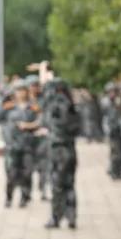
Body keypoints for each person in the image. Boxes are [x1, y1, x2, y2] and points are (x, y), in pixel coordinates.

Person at [43, 79, 80, 228]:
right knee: (69, 184)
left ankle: (56, 217)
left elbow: (48, 123)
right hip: (70, 147)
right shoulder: (71, 104)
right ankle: (71, 217)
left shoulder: (55, 104)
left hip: (58, 149)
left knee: (57, 185)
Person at [0, 84, 37, 207]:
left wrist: (29, 125)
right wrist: (3, 108)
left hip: (27, 144)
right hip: (12, 145)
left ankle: (25, 197)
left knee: (27, 173)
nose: (20, 93)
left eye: (23, 91)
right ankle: (9, 197)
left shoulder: (32, 107)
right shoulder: (9, 107)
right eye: (18, 91)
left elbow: (42, 121)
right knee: (11, 173)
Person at [102, 82, 121, 180]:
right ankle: (114, 171)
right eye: (111, 91)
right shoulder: (105, 102)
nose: (113, 93)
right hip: (111, 130)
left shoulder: (117, 102)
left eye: (114, 91)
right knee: (115, 152)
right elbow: (104, 118)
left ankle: (117, 170)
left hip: (119, 129)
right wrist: (107, 131)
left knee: (119, 151)